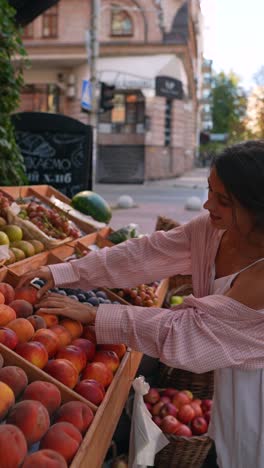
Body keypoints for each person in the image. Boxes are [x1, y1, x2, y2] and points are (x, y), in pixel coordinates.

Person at [18, 140, 264, 468]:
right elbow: (144, 253)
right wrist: (63, 270)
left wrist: (95, 314)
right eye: (209, 190)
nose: (207, 205)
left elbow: (191, 331)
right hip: (230, 384)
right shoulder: (213, 231)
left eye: (223, 201)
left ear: (257, 209)